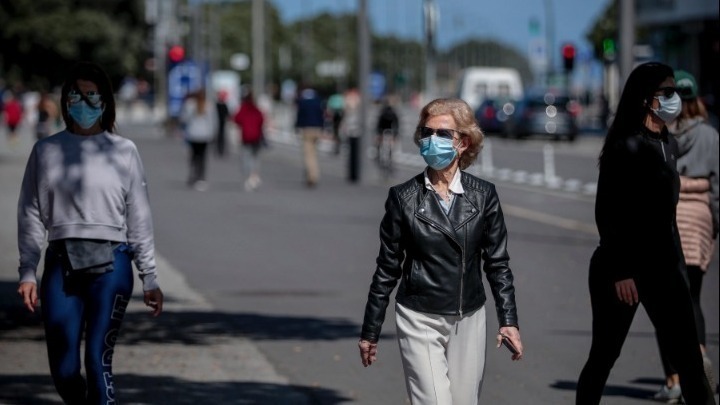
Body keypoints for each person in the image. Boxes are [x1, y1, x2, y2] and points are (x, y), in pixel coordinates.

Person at [16, 61, 164, 404]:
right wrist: (27, 270)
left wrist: (150, 277)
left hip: (112, 265)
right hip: (60, 265)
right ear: (65, 101)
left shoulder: (124, 151)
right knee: (65, 372)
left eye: (92, 95)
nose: (83, 102)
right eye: (76, 95)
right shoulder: (46, 150)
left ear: (106, 100)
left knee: (98, 362)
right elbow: (30, 212)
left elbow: (139, 215)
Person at [359, 97, 523, 405]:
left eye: (443, 134)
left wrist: (508, 320)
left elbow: (498, 263)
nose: (432, 140)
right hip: (419, 316)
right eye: (426, 132)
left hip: (468, 317)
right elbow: (387, 268)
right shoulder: (403, 198)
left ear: (463, 142)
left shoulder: (484, 196)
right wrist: (370, 330)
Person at [575, 61, 716, 405]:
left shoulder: (667, 142)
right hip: (622, 272)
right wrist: (621, 272)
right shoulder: (626, 146)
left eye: (676, 93)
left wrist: (680, 276)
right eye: (666, 93)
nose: (674, 99)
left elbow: (667, 219)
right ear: (645, 99)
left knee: (691, 363)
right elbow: (608, 214)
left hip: (665, 270)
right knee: (604, 357)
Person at [651, 69, 719, 402]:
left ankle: (674, 378)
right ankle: (701, 353)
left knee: (666, 305)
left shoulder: (664, 133)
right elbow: (718, 186)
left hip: (674, 219)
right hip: (702, 219)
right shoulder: (711, 135)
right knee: (694, 297)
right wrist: (714, 224)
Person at [180, 88, 216, 191]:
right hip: (205, 135)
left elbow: (184, 119)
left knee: (193, 156)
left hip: (193, 134)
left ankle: (193, 175)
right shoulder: (208, 105)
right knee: (202, 157)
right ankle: (201, 177)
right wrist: (212, 133)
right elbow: (212, 121)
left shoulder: (189, 105)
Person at [233, 90, 266, 191]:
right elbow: (262, 120)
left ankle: (249, 177)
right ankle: (255, 175)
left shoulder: (243, 109)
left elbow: (236, 119)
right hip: (256, 137)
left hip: (246, 137)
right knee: (256, 157)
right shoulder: (256, 109)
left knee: (246, 157)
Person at [294, 85, 325, 188]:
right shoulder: (318, 100)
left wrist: (297, 126)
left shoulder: (302, 101)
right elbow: (322, 115)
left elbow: (299, 116)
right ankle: (314, 174)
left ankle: (312, 176)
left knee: (308, 154)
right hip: (317, 129)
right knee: (315, 153)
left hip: (306, 129)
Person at [214, 89, 231, 158]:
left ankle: (220, 149)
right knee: (220, 137)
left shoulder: (220, 105)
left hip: (221, 123)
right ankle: (219, 149)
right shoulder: (218, 105)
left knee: (221, 137)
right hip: (218, 123)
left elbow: (227, 114)